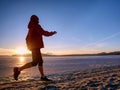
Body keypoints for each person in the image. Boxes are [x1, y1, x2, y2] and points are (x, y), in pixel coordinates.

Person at [13, 15, 57, 81]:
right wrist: (52, 33)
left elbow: (26, 38)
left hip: (34, 47)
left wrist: (29, 46)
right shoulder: (36, 25)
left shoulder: (31, 27)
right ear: (35, 19)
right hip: (35, 47)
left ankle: (42, 76)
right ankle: (18, 69)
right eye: (37, 19)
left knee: (40, 61)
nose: (38, 20)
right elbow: (43, 32)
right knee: (35, 62)